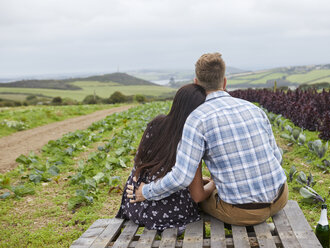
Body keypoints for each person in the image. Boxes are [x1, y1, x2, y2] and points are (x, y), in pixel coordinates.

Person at [127, 53, 288, 226]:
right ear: (224, 82)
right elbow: (276, 157)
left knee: (195, 197)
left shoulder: (197, 119)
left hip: (244, 213)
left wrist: (146, 192)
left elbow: (181, 178)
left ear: (196, 83)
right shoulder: (254, 109)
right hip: (280, 197)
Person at [116, 84, 216, 232]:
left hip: (134, 205)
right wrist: (214, 184)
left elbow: (145, 165)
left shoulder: (156, 123)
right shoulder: (191, 137)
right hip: (168, 214)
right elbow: (198, 195)